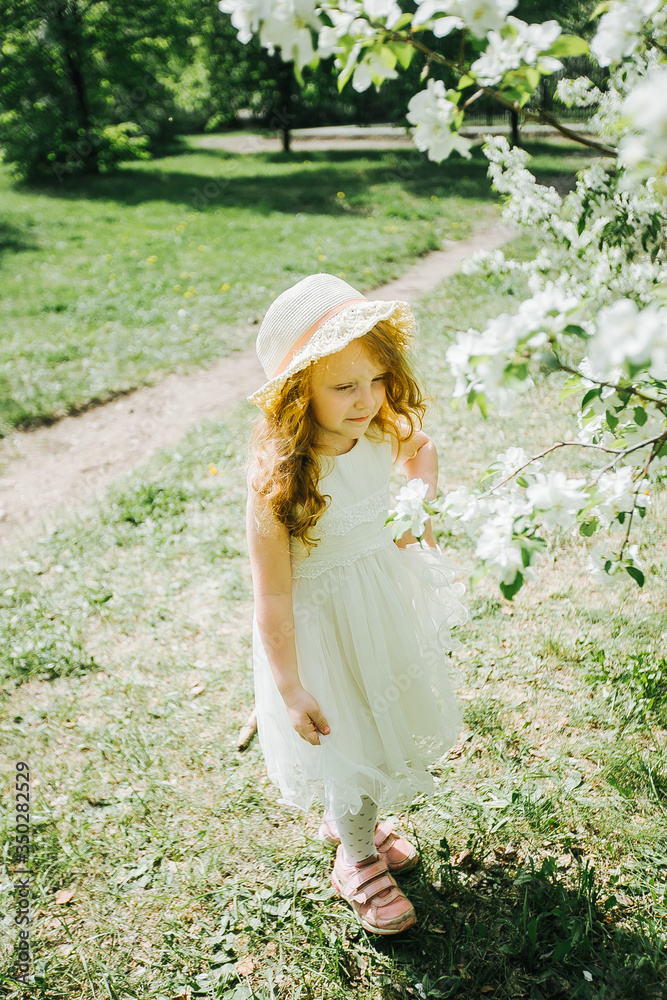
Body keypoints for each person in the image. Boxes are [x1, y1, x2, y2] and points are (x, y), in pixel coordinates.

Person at [245, 273, 467, 936]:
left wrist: (415, 509)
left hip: (379, 614)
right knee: (350, 743)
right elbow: (274, 593)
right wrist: (288, 686)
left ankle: (357, 822)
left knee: (380, 731)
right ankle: (358, 857)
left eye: (374, 379)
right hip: (322, 637)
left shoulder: (380, 434)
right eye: (343, 386)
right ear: (298, 393)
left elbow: (422, 450)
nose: (366, 399)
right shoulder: (282, 484)